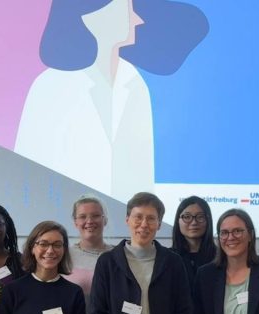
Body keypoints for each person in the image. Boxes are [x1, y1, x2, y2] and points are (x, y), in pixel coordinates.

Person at [15, 0, 207, 200]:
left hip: (125, 214)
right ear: (93, 17)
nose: (137, 19)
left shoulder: (135, 82)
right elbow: (26, 174)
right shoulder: (49, 87)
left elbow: (142, 176)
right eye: (126, 9)